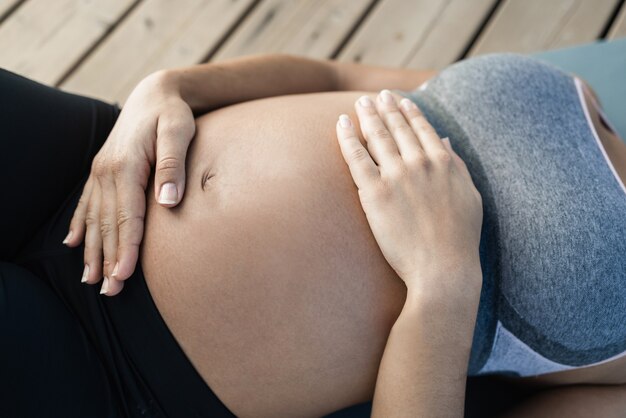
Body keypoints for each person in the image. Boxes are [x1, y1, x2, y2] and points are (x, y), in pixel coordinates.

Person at [0, 53, 624, 417]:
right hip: (94, 157)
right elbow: (336, 74)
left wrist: (445, 277)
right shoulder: (580, 95)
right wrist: (169, 88)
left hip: (120, 366)